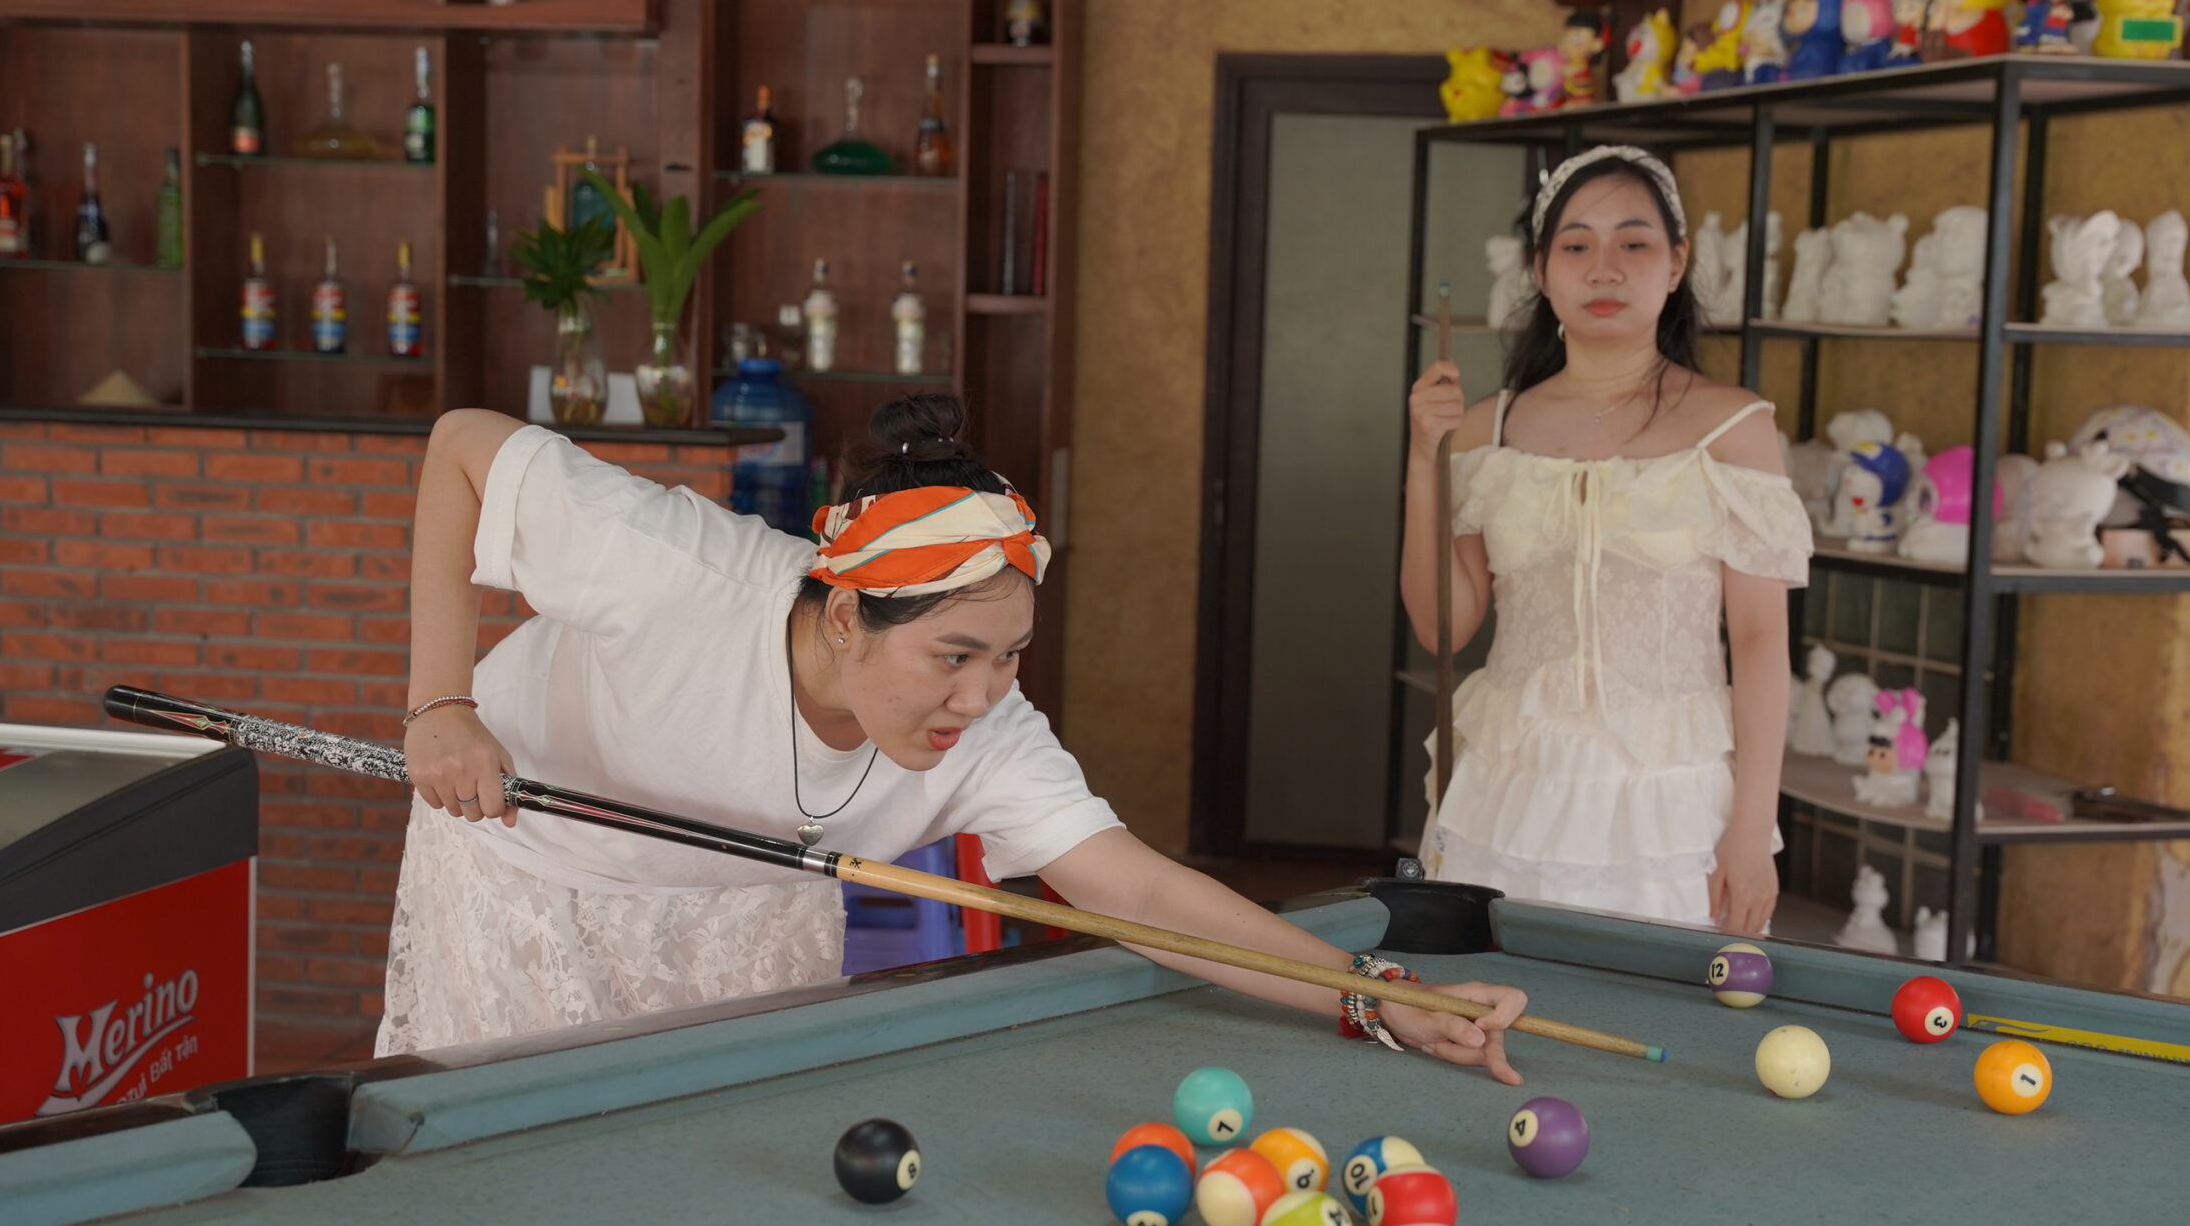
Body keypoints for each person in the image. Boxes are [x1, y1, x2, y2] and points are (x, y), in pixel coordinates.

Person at [385, 392, 1529, 1077]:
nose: (981, 697)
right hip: (531, 869)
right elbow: (464, 444)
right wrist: (442, 704)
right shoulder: (679, 572)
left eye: (1010, 655)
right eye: (952, 656)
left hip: (749, 903)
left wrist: (1373, 991)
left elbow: (1139, 891)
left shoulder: (987, 733)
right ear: (846, 615)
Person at [1401, 146, 1812, 936]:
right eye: (1576, 245)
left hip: (1673, 804)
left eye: (1633, 242)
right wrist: (1425, 460)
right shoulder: (1487, 430)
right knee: (1485, 991)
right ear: (1541, 269)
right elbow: (1441, 628)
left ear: (1676, 263)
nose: (1604, 268)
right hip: (1506, 792)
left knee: (1669, 998)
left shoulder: (1734, 427)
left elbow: (1762, 638)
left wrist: (1753, 827)